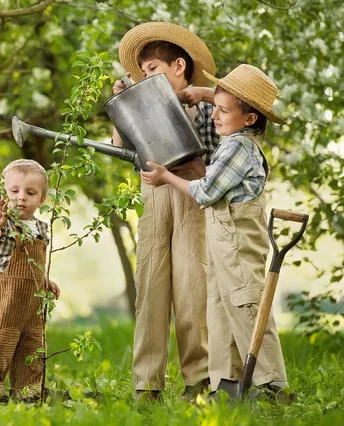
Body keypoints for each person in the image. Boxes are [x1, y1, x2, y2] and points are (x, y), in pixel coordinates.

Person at [141, 64, 290, 399]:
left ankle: (272, 383)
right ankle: (226, 381)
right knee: (219, 307)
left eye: (223, 111)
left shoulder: (240, 147)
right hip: (223, 239)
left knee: (244, 304)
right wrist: (197, 163)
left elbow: (205, 192)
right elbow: (212, 180)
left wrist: (166, 177)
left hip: (238, 240)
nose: (215, 116)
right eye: (215, 108)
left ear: (249, 118)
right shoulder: (233, 143)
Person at [113, 22, 219, 402]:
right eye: (142, 73)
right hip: (154, 195)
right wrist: (122, 106)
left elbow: (217, 155)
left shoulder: (207, 107)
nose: (146, 78)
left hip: (192, 194)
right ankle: (147, 383)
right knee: (151, 287)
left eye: (152, 70)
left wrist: (204, 95)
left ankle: (199, 379)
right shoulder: (141, 105)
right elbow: (122, 148)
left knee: (193, 286)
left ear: (178, 65)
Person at [0, 159, 60, 403]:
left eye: (30, 193)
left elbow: (36, 262)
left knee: (31, 341)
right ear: (4, 192)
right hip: (4, 294)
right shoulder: (2, 221)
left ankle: (28, 390)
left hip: (32, 298)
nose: (21, 197)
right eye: (14, 191)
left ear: (41, 199)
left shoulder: (41, 227)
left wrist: (46, 280)